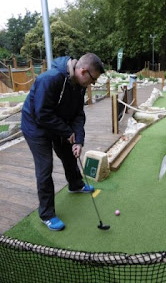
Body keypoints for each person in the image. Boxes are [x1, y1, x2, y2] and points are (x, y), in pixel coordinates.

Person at [21, 53, 104, 231]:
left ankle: (75, 184)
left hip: (58, 122)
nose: (93, 84)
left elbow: (78, 115)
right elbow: (42, 113)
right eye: (93, 79)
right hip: (36, 126)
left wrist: (78, 140)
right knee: (45, 167)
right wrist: (67, 132)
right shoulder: (50, 79)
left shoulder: (79, 85)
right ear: (83, 71)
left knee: (68, 153)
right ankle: (47, 214)